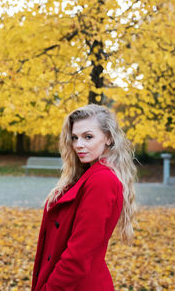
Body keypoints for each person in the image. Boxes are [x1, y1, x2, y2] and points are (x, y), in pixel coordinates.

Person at [31, 104, 137, 291]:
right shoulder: (87, 175)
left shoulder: (102, 180)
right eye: (75, 137)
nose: (78, 144)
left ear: (108, 138)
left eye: (88, 137)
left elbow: (78, 254)